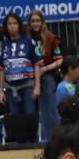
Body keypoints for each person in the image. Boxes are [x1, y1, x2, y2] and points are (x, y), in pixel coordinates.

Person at [30, 10, 66, 139]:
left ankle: (50, 139)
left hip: (46, 76)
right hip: (29, 77)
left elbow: (60, 60)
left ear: (43, 22)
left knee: (49, 112)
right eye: (33, 21)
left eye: (38, 21)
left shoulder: (51, 38)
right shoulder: (26, 39)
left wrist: (44, 69)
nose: (35, 24)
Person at [0, 11, 39, 115]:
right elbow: (1, 69)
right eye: (9, 24)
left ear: (19, 25)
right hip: (10, 88)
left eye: (15, 23)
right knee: (16, 119)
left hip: (27, 86)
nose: (12, 26)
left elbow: (37, 65)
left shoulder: (29, 41)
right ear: (6, 27)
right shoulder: (3, 45)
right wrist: (1, 91)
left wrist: (37, 87)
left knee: (30, 115)